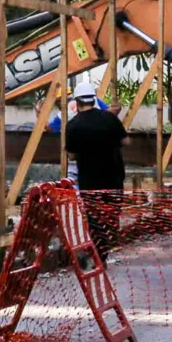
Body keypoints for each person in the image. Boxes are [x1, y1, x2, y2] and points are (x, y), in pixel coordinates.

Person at [65, 81, 128, 261]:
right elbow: (126, 141)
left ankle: (97, 254)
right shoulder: (109, 119)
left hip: (90, 180)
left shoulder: (73, 125)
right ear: (94, 99)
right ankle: (105, 251)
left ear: (76, 102)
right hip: (114, 176)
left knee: (94, 217)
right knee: (112, 215)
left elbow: (71, 156)